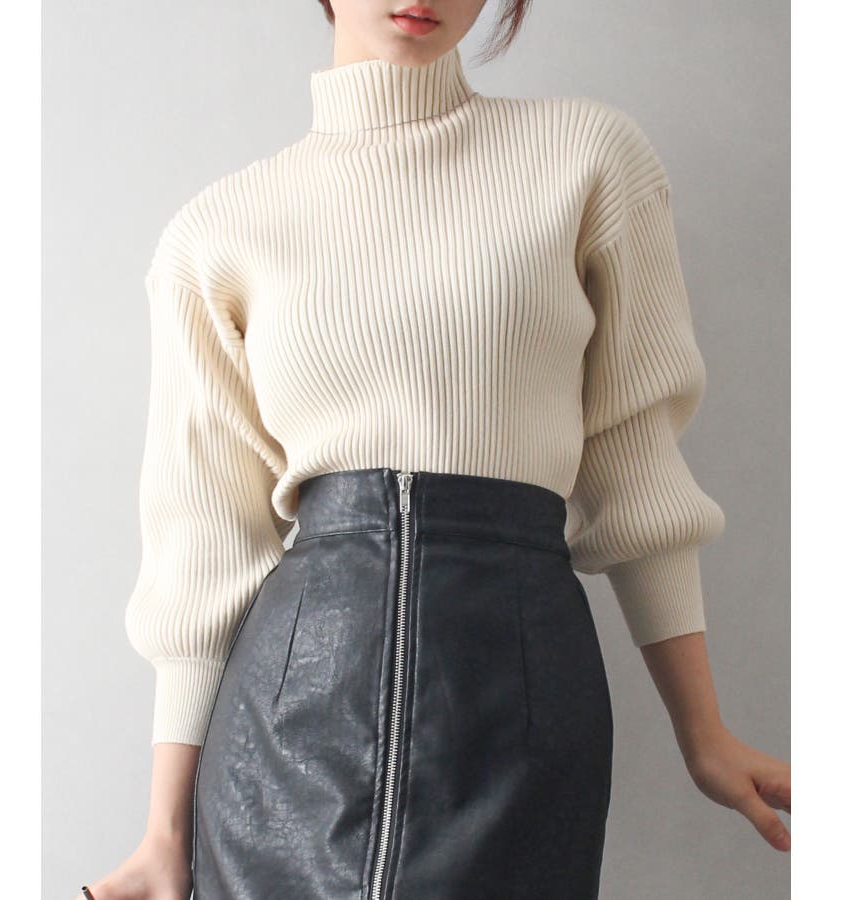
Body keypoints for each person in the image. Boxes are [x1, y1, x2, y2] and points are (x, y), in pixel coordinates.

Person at [77, 1, 791, 898]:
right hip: (286, 730)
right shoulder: (216, 232)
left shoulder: (587, 158)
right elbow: (204, 545)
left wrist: (704, 734)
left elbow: (636, 470)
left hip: (517, 700)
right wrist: (163, 834)